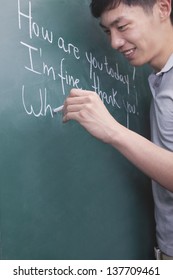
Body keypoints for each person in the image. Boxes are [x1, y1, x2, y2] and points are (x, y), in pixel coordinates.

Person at [63, 0, 173, 259]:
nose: (114, 43)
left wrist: (113, 130)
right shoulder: (159, 79)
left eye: (122, 26)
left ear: (163, 9)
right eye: (107, 32)